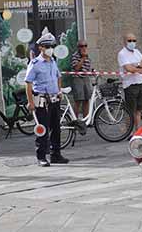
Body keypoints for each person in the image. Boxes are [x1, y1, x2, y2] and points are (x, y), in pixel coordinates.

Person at [25, 33, 69, 167]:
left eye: (52, 46)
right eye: (48, 46)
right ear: (41, 48)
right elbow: (28, 83)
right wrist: (31, 102)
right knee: (42, 130)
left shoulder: (53, 62)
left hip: (54, 100)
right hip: (42, 101)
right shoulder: (35, 64)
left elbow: (58, 77)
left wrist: (59, 90)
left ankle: (56, 154)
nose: (50, 48)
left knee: (56, 129)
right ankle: (41, 156)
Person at [117, 33, 142, 131]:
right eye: (129, 40)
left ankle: (137, 130)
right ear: (125, 42)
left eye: (134, 40)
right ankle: (128, 131)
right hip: (130, 84)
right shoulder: (122, 53)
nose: (132, 42)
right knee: (131, 110)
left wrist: (137, 65)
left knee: (139, 109)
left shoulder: (137, 52)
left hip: (140, 82)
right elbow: (128, 68)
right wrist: (140, 68)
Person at [70, 40, 93, 118]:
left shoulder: (88, 56)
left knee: (86, 100)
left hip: (86, 78)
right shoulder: (75, 56)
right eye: (81, 46)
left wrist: (93, 71)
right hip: (77, 79)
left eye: (85, 46)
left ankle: (85, 119)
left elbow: (88, 67)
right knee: (78, 100)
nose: (84, 48)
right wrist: (83, 58)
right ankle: (75, 119)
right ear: (78, 47)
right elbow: (76, 68)